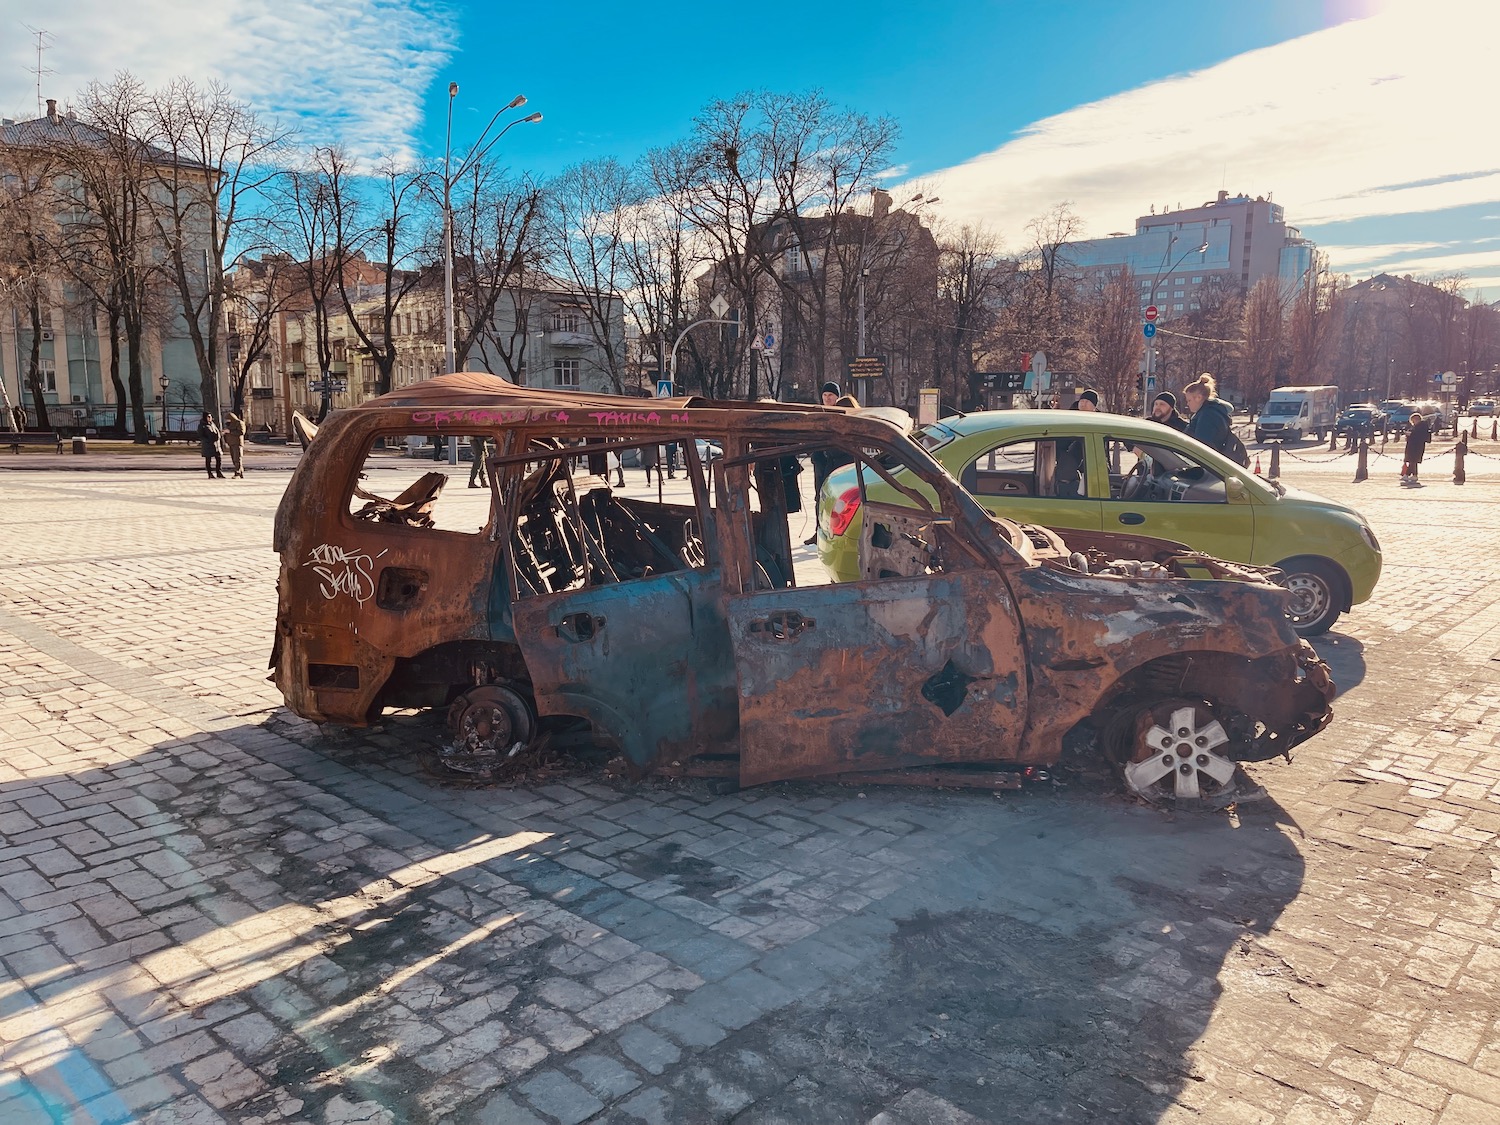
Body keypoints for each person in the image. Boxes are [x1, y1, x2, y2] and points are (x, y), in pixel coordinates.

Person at [804, 395, 861, 543]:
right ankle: (821, 530)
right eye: (824, 395)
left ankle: (832, 532)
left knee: (838, 504)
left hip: (842, 472)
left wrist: (828, 450)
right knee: (824, 500)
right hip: (831, 469)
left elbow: (840, 451)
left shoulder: (850, 428)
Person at [1183, 374, 1233, 456]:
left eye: (1189, 400)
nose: (1187, 404)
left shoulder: (1207, 416)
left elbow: (1201, 447)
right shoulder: (1211, 412)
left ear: (1198, 397)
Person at [1402, 412, 1431, 487]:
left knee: (1413, 461)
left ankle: (1411, 475)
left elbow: (1418, 436)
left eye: (1413, 420)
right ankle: (1410, 475)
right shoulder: (1419, 426)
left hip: (1416, 446)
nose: (1413, 422)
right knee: (1413, 461)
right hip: (1414, 446)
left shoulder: (1421, 426)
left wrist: (1410, 435)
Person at [196, 412, 224, 479]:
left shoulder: (212, 424)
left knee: (218, 459)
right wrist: (208, 440)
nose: (210, 418)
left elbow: (216, 432)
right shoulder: (202, 425)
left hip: (216, 445)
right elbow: (201, 435)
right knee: (208, 459)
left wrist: (219, 436)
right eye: (208, 417)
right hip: (208, 445)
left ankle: (219, 472)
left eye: (210, 417)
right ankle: (210, 473)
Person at [224, 412, 247, 478]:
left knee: (237, 458)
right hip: (231, 443)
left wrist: (230, 432)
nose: (227, 421)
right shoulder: (229, 424)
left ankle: (237, 472)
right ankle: (240, 472)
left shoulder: (239, 423)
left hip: (237, 443)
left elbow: (241, 432)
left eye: (228, 419)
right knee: (234, 458)